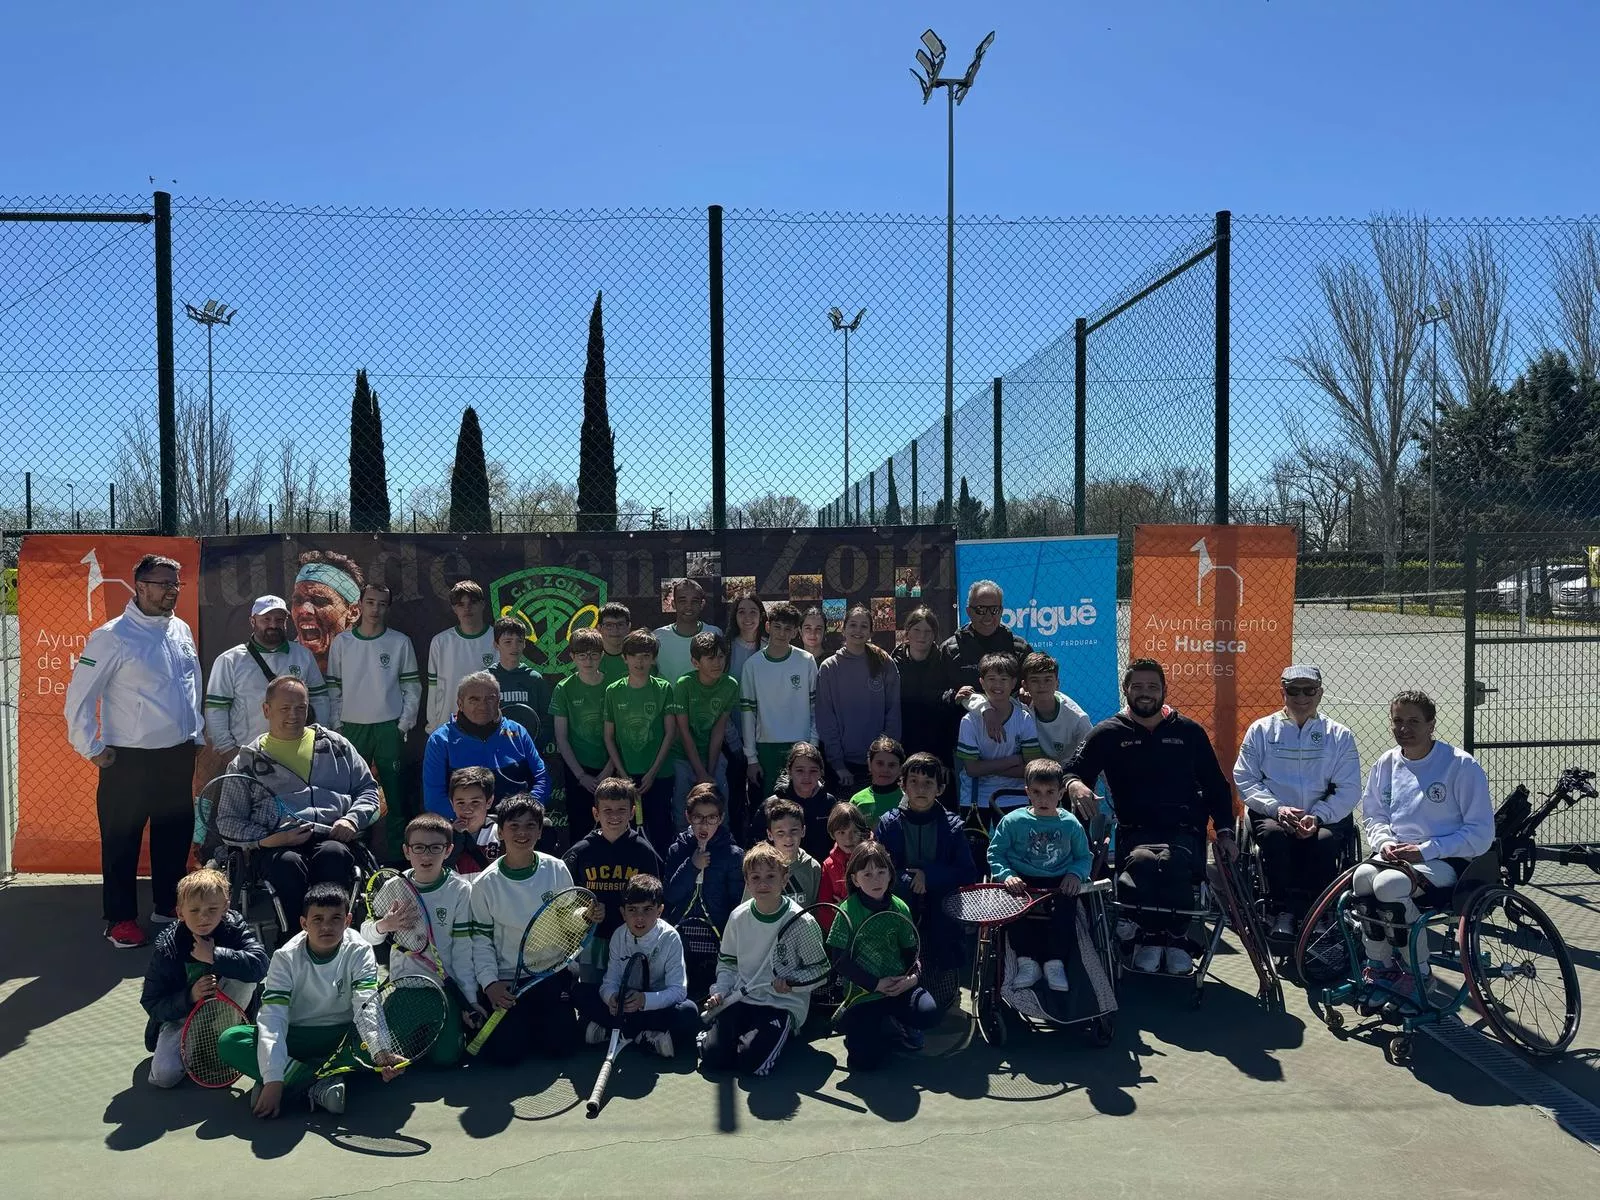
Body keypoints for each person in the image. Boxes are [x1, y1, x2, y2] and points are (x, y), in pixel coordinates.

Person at [64, 552, 204, 947]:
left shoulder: (180, 630)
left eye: (175, 584)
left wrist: (195, 734)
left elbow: (190, 686)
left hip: (175, 756)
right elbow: (78, 697)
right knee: (122, 841)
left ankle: (167, 906)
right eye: (162, 583)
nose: (171, 591)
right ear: (139, 587)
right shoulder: (112, 636)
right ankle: (120, 919)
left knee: (173, 837)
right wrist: (91, 748)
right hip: (128, 760)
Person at [1064, 659, 1237, 976]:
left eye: (1152, 687)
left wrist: (1225, 832)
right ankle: (1150, 936)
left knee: (1173, 863)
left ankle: (1175, 937)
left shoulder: (1189, 732)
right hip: (1136, 831)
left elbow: (1216, 785)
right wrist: (1075, 784)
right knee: (1144, 862)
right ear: (1126, 690)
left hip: (1184, 831)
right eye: (1138, 687)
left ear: (1164, 691)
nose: (1146, 693)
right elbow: (1073, 769)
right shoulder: (1108, 732)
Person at [1354, 690, 1493, 1000]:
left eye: (1414, 721)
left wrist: (1425, 850)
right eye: (1398, 721)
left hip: (1449, 860)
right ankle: (1379, 965)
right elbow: (1373, 816)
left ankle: (1418, 973)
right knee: (1362, 879)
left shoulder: (1460, 766)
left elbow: (1481, 834)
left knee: (1389, 886)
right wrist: (1385, 842)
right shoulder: (1387, 763)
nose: (1405, 728)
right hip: (1397, 855)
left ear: (1432, 724)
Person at [222, 676, 380, 932]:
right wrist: (267, 840)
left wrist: (352, 818)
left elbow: (368, 789)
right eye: (285, 708)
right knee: (288, 865)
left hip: (332, 836)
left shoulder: (336, 745)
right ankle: (293, 939)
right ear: (266, 710)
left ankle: (334, 937)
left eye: (301, 707)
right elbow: (228, 822)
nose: (294, 715)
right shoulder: (245, 762)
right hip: (276, 844)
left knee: (334, 855)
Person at [216, 882, 388, 1117]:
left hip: (343, 1037)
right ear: (304, 923)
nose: (326, 926)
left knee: (385, 1038)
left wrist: (380, 1050)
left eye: (335, 918)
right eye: (317, 919)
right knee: (231, 1040)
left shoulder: (360, 950)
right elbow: (273, 1018)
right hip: (295, 1037)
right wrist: (274, 1078)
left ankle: (290, 1077)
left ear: (347, 921)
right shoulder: (285, 957)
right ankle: (318, 1082)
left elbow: (366, 1003)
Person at [1233, 665, 1362, 937]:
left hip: (1324, 815)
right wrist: (1277, 809)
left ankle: (1320, 912)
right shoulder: (1261, 730)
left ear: (1320, 693)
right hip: (1272, 812)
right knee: (1275, 837)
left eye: (1309, 690)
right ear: (1283, 692)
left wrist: (1318, 816)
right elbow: (1245, 778)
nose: (1301, 697)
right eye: (1293, 690)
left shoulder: (1339, 735)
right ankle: (1284, 911)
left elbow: (1348, 789)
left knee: (1324, 841)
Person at [468, 794, 589, 1064]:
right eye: (514, 826)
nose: (522, 833)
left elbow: (568, 918)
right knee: (505, 1056)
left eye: (530, 826)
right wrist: (490, 984)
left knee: (563, 1047)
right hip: (508, 980)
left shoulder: (556, 869)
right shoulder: (485, 884)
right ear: (500, 832)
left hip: (551, 971)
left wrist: (584, 916)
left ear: (540, 831)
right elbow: (481, 940)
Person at [359, 812, 479, 1067]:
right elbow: (367, 935)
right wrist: (384, 925)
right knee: (394, 1055)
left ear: (448, 850)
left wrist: (469, 1001)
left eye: (435, 848)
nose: (426, 855)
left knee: (447, 1060)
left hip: (444, 991)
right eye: (419, 847)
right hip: (404, 989)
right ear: (406, 850)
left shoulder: (460, 890)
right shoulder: (392, 886)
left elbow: (462, 950)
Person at [140, 867, 269, 1088]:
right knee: (164, 1076)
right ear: (180, 913)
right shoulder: (167, 948)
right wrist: (189, 996)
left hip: (224, 1011)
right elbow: (152, 1003)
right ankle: (197, 1045)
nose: (204, 917)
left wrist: (214, 956)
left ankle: (222, 1037)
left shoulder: (233, 926)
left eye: (212, 909)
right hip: (181, 1016)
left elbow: (260, 965)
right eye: (195, 910)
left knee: (246, 976)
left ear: (225, 908)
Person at [701, 844, 821, 1077]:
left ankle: (758, 1039)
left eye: (770, 876)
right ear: (747, 882)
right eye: (755, 877)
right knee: (714, 1059)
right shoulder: (738, 917)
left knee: (751, 1064)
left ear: (784, 879)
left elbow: (820, 970)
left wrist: (792, 982)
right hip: (742, 999)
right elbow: (727, 963)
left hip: (781, 1005)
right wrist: (721, 991)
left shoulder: (801, 921)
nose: (763, 883)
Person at [326, 583, 421, 859]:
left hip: (388, 728)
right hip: (351, 729)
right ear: (360, 604)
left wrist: (402, 725)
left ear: (387, 607)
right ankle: (349, 855)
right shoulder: (342, 642)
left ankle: (397, 859)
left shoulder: (399, 642)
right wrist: (337, 725)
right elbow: (334, 688)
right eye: (370, 602)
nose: (375, 609)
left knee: (394, 798)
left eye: (381, 603)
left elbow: (412, 687)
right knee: (349, 795)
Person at [826, 841, 940, 1071]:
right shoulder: (848, 911)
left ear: (890, 874)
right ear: (855, 879)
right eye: (867, 874)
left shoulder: (900, 907)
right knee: (864, 1064)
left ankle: (897, 1022)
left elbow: (911, 954)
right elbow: (840, 961)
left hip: (898, 987)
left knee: (928, 1013)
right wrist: (875, 984)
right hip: (863, 993)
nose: (876, 879)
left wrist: (912, 979)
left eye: (881, 872)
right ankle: (876, 1027)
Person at [986, 759, 1092, 993]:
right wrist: (1007, 875)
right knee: (1012, 908)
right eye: (1036, 792)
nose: (1043, 798)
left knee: (1067, 907)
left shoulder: (1071, 824)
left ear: (1061, 793)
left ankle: (1055, 963)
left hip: (1058, 880)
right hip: (1021, 879)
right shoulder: (1012, 821)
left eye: (1050, 792)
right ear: (1027, 792)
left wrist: (1075, 874)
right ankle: (1027, 962)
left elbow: (1084, 857)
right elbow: (996, 853)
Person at [873, 752, 977, 985]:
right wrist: (910, 877)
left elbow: (966, 871)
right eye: (914, 782)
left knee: (946, 912)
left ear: (939, 789)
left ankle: (945, 975)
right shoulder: (888, 824)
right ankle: (898, 968)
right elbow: (879, 866)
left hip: (941, 898)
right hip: (903, 895)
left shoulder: (952, 826)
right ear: (903, 786)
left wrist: (929, 875)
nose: (921, 789)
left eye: (928, 783)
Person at [578, 874, 702, 1059]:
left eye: (647, 909)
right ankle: (643, 1037)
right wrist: (611, 998)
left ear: (659, 911)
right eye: (632, 910)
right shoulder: (619, 936)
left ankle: (619, 1032)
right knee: (580, 992)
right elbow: (609, 981)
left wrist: (644, 1000)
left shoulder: (671, 937)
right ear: (623, 912)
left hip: (654, 1008)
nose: (639, 917)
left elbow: (678, 991)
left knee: (689, 1011)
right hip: (625, 1006)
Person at [204, 594, 328, 757]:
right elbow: (216, 709)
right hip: (248, 750)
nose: (273, 625)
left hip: (296, 749)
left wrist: (317, 738)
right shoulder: (229, 660)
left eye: (279, 620)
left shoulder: (303, 655)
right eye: (266, 619)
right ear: (252, 621)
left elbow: (320, 699)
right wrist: (227, 750)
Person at [422, 672, 550, 818]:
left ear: (499, 702)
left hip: (517, 823)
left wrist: (526, 811)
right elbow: (434, 799)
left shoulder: (518, 732)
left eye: (490, 698)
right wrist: (476, 823)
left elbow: (542, 777)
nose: (482, 706)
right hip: (464, 828)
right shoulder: (440, 740)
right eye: (474, 699)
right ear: (460, 704)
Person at [564, 778, 664, 963]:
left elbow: (655, 898)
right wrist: (585, 913)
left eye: (621, 810)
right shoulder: (580, 852)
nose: (614, 816)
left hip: (632, 938)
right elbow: (564, 902)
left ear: (632, 812)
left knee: (630, 988)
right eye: (607, 810)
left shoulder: (644, 851)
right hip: (591, 938)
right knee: (590, 988)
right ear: (596, 813)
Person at [662, 783, 746, 998]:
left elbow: (737, 904)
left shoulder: (734, 856)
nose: (704, 824)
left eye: (711, 818)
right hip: (681, 940)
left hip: (718, 941)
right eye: (698, 817)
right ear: (688, 817)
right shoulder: (677, 849)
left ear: (721, 818)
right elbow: (670, 895)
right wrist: (692, 866)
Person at [604, 629, 682, 851]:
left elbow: (670, 733)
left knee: (660, 828)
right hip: (626, 775)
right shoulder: (613, 691)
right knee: (627, 830)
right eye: (635, 655)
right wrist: (622, 774)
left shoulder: (664, 688)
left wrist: (653, 772)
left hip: (659, 774)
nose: (640, 661)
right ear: (624, 658)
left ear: (653, 659)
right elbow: (609, 737)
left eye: (646, 656)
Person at [815, 604, 901, 795]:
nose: (858, 630)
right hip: (845, 766)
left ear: (870, 632)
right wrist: (838, 764)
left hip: (880, 764)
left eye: (864, 626)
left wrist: (885, 758)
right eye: (853, 624)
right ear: (843, 629)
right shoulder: (830, 668)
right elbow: (826, 718)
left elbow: (893, 711)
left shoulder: (883, 662)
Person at [739, 602, 817, 798]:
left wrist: (813, 745)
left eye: (788, 629)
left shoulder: (806, 660)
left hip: (801, 745)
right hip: (767, 748)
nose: (782, 633)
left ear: (795, 632)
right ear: (768, 627)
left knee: (802, 803)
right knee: (772, 806)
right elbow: (748, 713)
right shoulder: (752, 665)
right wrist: (751, 758)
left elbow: (815, 707)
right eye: (777, 627)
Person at [939, 580, 1030, 735]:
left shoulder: (1019, 648)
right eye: (980, 609)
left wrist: (1027, 692)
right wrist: (954, 696)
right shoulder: (950, 649)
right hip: (965, 737)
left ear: (1001, 611)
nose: (988, 617)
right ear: (968, 611)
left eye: (994, 609)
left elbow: (1035, 684)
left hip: (1013, 735)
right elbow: (937, 693)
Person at [552, 627, 617, 843]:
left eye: (594, 654)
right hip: (579, 772)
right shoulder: (564, 688)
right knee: (581, 828)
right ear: (572, 657)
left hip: (611, 766)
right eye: (582, 655)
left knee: (613, 823)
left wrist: (609, 768)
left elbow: (619, 733)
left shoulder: (614, 687)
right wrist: (581, 776)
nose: (588, 660)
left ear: (602, 655)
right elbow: (561, 736)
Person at [956, 654, 1041, 815]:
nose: (997, 685)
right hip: (975, 798)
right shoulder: (969, 721)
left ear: (1014, 683)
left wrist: (986, 767)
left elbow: (1030, 769)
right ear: (981, 682)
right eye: (991, 679)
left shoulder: (1024, 718)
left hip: (1016, 797)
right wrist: (1014, 760)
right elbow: (972, 769)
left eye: (1004, 679)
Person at [673, 631, 739, 823]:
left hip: (712, 753)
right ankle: (682, 848)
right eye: (710, 658)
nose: (717, 663)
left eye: (720, 657)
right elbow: (683, 731)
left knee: (719, 800)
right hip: (682, 756)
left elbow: (719, 729)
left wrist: (709, 771)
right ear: (695, 662)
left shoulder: (730, 685)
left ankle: (722, 845)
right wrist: (699, 772)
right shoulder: (683, 685)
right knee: (682, 806)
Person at [894, 606, 956, 802]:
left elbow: (949, 716)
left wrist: (945, 760)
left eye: (928, 631)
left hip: (937, 749)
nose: (922, 636)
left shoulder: (944, 664)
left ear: (935, 635)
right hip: (903, 746)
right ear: (907, 633)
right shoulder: (892, 664)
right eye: (917, 630)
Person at [425, 580, 496, 734]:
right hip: (449, 727)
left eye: (472, 602)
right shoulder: (440, 642)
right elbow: (433, 688)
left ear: (483, 605)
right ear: (453, 609)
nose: (467, 608)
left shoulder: (498, 640)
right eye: (460, 604)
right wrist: (433, 727)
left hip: (489, 726)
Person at [290, 549, 364, 675]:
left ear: (353, 612)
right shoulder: (283, 660)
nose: (304, 609)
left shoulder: (372, 660)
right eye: (298, 600)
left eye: (319, 600)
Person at [1018, 652, 1093, 766]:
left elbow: (1095, 755)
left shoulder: (1078, 719)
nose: (1041, 685)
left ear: (1057, 683)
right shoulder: (1021, 709)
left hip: (1069, 775)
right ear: (1025, 685)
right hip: (1035, 774)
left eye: (1047, 680)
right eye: (1034, 680)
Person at [744, 797, 821, 906]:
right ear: (770, 834)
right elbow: (748, 908)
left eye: (793, 831)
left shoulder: (813, 867)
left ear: (803, 831)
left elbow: (817, 909)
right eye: (780, 832)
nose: (788, 838)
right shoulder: (758, 867)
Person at [488, 616, 552, 743]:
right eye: (508, 642)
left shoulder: (534, 679)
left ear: (524, 644)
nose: (514, 646)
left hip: (527, 752)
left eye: (519, 641)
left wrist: (532, 748)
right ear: (496, 645)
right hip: (494, 754)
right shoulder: (486, 679)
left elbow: (547, 722)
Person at [653, 578, 722, 685]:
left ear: (702, 604)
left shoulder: (715, 633)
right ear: (673, 604)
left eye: (694, 601)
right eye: (682, 601)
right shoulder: (658, 636)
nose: (688, 606)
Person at [443, 766, 502, 876]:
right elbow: (441, 870)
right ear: (452, 804)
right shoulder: (443, 836)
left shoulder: (501, 833)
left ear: (489, 802)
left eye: (475, 802)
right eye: (460, 803)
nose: (467, 809)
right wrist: (456, 836)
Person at [817, 802, 869, 911]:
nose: (848, 839)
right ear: (832, 834)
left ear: (862, 832)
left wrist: (848, 908)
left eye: (854, 832)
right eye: (841, 832)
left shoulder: (874, 858)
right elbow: (824, 906)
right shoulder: (828, 865)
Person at [850, 735, 906, 826]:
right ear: (869, 764)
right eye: (880, 763)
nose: (885, 770)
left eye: (892, 765)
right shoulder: (857, 801)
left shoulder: (907, 800)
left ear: (900, 769)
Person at [725, 590, 767, 680]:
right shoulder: (726, 646)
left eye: (753, 612)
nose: (747, 617)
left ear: (761, 616)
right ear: (735, 616)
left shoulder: (769, 646)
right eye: (741, 612)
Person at [597, 601, 633, 686]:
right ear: (599, 628)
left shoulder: (640, 658)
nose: (615, 630)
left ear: (629, 626)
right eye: (609, 625)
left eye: (620, 624)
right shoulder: (589, 660)